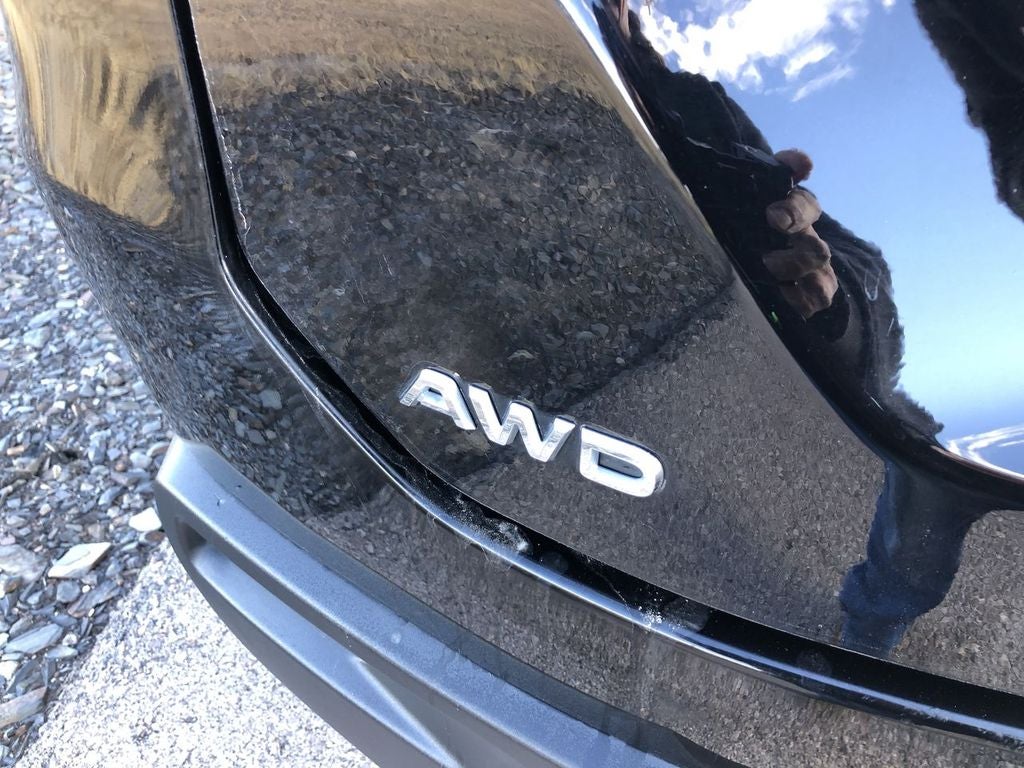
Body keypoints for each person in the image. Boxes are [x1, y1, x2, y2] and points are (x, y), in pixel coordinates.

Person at [597, 0, 1006, 655]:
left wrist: (832, 301)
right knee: (926, 498)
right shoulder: (648, 89)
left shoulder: (704, 102)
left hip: (851, 296)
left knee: (926, 471)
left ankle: (872, 630)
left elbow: (863, 274)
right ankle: (872, 629)